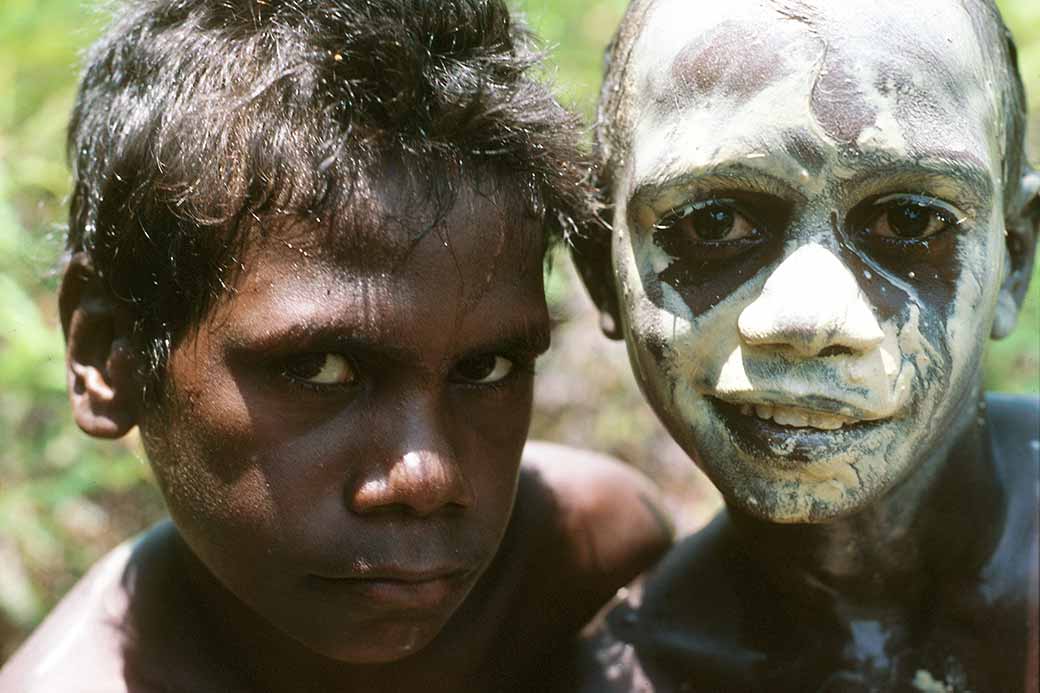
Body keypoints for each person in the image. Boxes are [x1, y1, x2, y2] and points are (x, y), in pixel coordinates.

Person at [0, 1, 674, 691]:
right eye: (322, 369)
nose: (427, 477)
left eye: (485, 367)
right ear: (109, 352)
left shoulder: (587, 561)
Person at [567, 0, 1040, 690]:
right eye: (714, 223)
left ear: (1013, 258)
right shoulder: (634, 673)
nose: (807, 318)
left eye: (909, 220)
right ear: (600, 273)